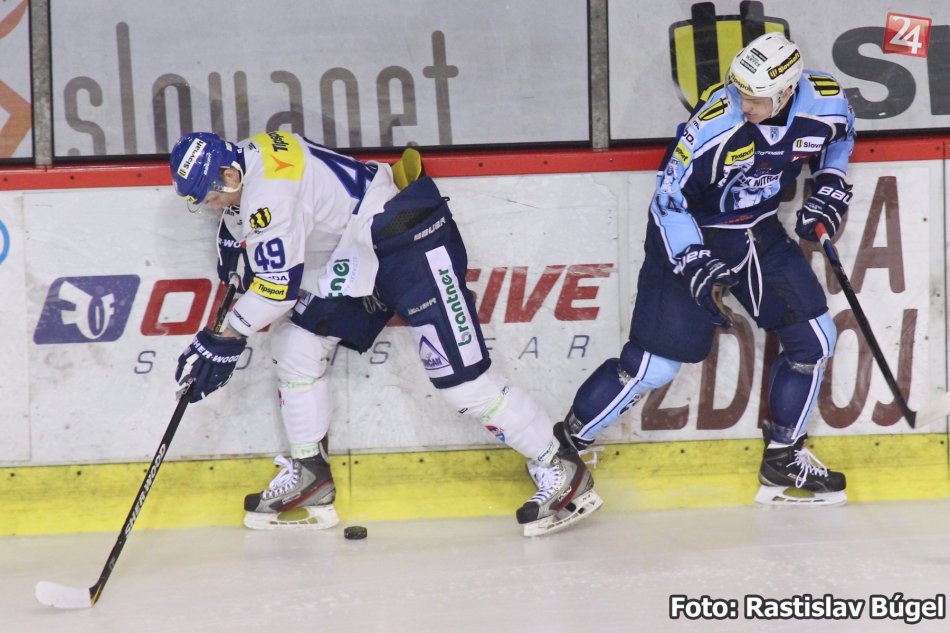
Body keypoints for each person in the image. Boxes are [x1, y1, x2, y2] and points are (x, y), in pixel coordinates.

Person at [168, 131, 603, 535]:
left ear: (229, 174)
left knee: (463, 384)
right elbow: (266, 223)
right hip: (356, 250)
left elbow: (276, 289)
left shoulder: (269, 198)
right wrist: (235, 236)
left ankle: (561, 465)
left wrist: (225, 338)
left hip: (408, 241)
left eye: (212, 197)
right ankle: (311, 476)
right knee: (295, 345)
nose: (212, 206)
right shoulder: (251, 154)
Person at [558, 33, 855, 506]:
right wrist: (692, 257)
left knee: (815, 340)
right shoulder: (715, 123)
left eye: (756, 97)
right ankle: (563, 447)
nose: (743, 103)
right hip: (693, 235)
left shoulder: (826, 102)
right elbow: (668, 199)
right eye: (739, 90)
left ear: (786, 93)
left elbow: (842, 136)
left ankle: (782, 459)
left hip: (757, 231)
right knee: (652, 367)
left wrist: (830, 182)